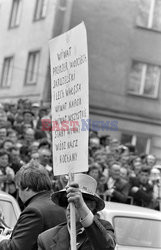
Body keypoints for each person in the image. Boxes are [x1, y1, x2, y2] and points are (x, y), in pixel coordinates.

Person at [38, 173, 116, 250]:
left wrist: (81, 206)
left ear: (92, 206)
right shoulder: (46, 238)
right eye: (67, 202)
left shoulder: (104, 228)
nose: (69, 208)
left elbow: (106, 247)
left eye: (75, 203)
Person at [0, 161, 66, 250]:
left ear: (26, 188)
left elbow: (16, 248)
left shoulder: (33, 211)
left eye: (18, 189)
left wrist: (1, 240)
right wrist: (14, 233)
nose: (19, 194)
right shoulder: (60, 203)